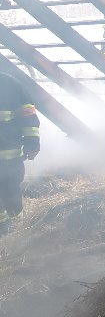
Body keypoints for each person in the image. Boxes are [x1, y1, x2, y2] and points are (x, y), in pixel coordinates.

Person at [0, 72, 40, 234]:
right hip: (10, 156)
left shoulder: (10, 84)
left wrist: (32, 143)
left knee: (11, 194)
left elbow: (28, 117)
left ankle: (17, 234)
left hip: (9, 158)